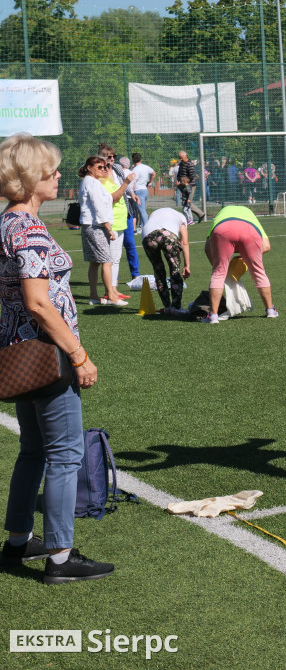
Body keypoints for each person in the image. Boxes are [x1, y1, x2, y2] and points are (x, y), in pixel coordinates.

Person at [0, 133, 114, 584]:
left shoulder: (5, 223)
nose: (59, 175)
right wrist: (79, 354)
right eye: (51, 170)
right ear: (30, 178)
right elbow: (39, 302)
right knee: (65, 455)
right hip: (45, 353)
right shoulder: (25, 228)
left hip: (17, 352)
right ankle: (61, 558)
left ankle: (17, 543)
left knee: (32, 452)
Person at [202, 205, 276, 323]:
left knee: (218, 273)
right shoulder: (249, 214)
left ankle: (213, 316)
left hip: (222, 228)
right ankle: (270, 310)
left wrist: (221, 268)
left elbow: (207, 248)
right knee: (259, 272)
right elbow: (266, 246)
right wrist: (246, 257)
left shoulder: (221, 214)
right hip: (248, 229)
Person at [76, 157, 127, 306]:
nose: (104, 169)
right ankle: (111, 296)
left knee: (95, 262)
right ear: (89, 168)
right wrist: (109, 228)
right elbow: (98, 207)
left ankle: (94, 296)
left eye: (105, 167)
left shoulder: (93, 182)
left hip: (92, 225)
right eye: (99, 167)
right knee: (107, 261)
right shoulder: (91, 182)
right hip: (95, 226)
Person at [97, 148, 136, 299]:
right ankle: (109, 292)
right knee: (109, 259)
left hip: (121, 219)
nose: (112, 159)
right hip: (110, 220)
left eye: (114, 156)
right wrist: (126, 183)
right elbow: (112, 197)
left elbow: (122, 193)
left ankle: (114, 289)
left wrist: (130, 191)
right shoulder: (100, 177)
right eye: (108, 156)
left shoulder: (117, 170)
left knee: (117, 257)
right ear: (101, 158)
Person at [141, 207, 191, 315]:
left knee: (158, 271)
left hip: (147, 235)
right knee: (174, 270)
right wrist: (187, 265)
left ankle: (167, 306)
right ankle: (176, 306)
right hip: (167, 234)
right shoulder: (181, 217)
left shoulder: (156, 213)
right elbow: (185, 242)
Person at [130, 152, 155, 226]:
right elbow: (154, 173)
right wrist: (151, 182)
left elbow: (133, 181)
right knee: (141, 209)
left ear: (133, 161)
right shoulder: (146, 167)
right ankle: (141, 225)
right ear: (141, 160)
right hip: (145, 190)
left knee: (141, 210)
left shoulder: (135, 170)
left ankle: (147, 226)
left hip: (138, 191)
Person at [176, 151, 197, 224]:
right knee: (186, 208)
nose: (180, 160)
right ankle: (190, 219)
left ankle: (190, 219)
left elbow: (191, 176)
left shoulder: (190, 164)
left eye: (181, 158)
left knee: (186, 208)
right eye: (179, 158)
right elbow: (179, 173)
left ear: (185, 156)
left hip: (189, 184)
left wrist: (186, 183)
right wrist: (178, 180)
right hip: (183, 184)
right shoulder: (181, 164)